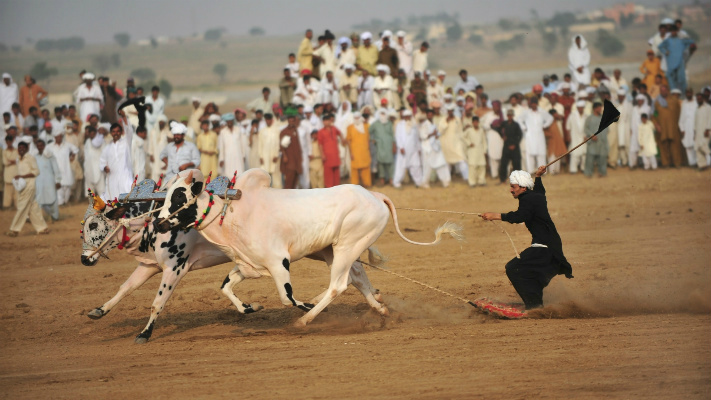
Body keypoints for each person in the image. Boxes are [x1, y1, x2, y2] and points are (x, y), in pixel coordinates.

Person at [480, 167, 573, 310]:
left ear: (523, 188)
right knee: (526, 271)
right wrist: (539, 177)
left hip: (544, 247)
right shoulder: (535, 196)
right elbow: (540, 191)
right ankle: (535, 303)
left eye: (513, 187)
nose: (511, 190)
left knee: (513, 268)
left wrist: (496, 216)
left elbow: (520, 216)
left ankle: (534, 306)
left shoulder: (528, 199)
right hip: (549, 245)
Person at [6, 140, 49, 236]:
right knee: (33, 208)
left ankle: (14, 230)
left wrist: (22, 177)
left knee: (22, 207)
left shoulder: (30, 158)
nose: (21, 149)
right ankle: (42, 228)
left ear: (26, 149)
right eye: (19, 148)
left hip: (29, 186)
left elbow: (36, 172)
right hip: (22, 187)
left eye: (23, 148)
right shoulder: (19, 159)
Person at [520, 97, 554, 174]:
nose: (534, 105)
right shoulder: (526, 112)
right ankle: (531, 171)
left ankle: (542, 172)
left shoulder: (541, 112)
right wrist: (524, 127)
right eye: (532, 104)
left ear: (537, 104)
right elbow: (519, 120)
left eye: (535, 103)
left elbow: (550, 118)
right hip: (530, 136)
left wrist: (544, 125)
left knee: (541, 153)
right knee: (530, 154)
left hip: (539, 135)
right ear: (530, 104)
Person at [653, 85, 683, 168]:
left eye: (664, 90)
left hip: (673, 127)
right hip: (662, 128)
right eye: (661, 90)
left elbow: (679, 113)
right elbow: (653, 115)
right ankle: (666, 163)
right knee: (664, 145)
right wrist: (656, 125)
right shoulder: (657, 102)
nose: (663, 92)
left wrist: (677, 124)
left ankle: (677, 163)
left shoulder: (674, 100)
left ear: (668, 91)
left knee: (675, 146)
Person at [657, 25, 695, 92]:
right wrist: (665, 52)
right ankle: (673, 93)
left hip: (680, 63)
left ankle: (683, 94)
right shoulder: (668, 40)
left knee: (681, 79)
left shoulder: (681, 40)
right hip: (671, 63)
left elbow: (691, 42)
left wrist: (686, 46)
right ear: (671, 32)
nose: (673, 32)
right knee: (671, 78)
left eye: (674, 31)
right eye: (672, 31)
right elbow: (660, 46)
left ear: (677, 31)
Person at [419, 109, 451, 188]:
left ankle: (445, 181)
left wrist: (436, 135)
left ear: (432, 115)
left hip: (435, 147)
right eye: (428, 115)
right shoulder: (424, 125)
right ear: (426, 115)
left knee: (440, 163)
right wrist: (432, 134)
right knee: (427, 166)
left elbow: (438, 133)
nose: (430, 116)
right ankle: (425, 183)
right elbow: (422, 136)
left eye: (431, 114)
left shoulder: (435, 124)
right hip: (427, 148)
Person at [47, 129, 79, 205]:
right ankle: (60, 204)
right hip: (56, 170)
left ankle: (65, 202)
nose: (59, 138)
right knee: (58, 188)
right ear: (54, 137)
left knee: (67, 188)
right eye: (57, 137)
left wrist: (72, 156)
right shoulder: (50, 146)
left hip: (66, 169)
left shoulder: (67, 145)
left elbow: (76, 149)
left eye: (60, 137)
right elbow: (45, 154)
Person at [393, 109, 422, 188]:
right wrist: (401, 147)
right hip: (403, 150)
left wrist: (419, 148)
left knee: (415, 165)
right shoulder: (400, 125)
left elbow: (417, 137)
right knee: (401, 166)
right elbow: (398, 137)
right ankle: (397, 182)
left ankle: (418, 182)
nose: (407, 117)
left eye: (409, 116)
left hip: (413, 150)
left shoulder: (414, 125)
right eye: (406, 116)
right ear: (404, 117)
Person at [438, 104, 468, 179]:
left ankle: (467, 178)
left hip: (457, 144)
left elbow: (460, 131)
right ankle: (447, 179)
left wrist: (463, 142)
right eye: (449, 111)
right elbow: (440, 131)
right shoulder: (443, 119)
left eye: (452, 111)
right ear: (447, 112)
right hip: (446, 144)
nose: (450, 112)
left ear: (453, 111)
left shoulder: (457, 119)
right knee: (447, 163)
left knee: (462, 160)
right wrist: (446, 122)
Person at [34, 139, 61, 221]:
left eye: (41, 145)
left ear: (44, 146)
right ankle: (37, 218)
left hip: (50, 181)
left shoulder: (50, 156)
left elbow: (56, 169)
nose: (40, 147)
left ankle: (55, 216)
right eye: (38, 146)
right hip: (38, 182)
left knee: (52, 199)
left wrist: (58, 180)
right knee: (39, 200)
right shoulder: (34, 157)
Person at [369, 109, 396, 186]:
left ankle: (391, 179)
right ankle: (382, 180)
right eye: (381, 113)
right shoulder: (375, 124)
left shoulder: (390, 123)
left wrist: (394, 146)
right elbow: (369, 131)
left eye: (384, 113)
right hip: (380, 145)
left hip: (389, 145)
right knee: (380, 163)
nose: (383, 115)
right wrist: (373, 139)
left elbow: (392, 135)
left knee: (390, 163)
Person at [317, 113, 344, 187]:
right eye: (324, 121)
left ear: (330, 121)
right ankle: (329, 188)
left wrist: (342, 140)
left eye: (327, 120)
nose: (326, 122)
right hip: (327, 155)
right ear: (323, 122)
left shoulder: (334, 129)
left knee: (336, 171)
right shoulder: (320, 132)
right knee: (328, 172)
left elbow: (340, 133)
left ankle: (337, 187)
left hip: (335, 154)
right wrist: (322, 154)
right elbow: (320, 144)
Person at [345, 112, 371, 187]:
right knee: (354, 169)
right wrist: (351, 153)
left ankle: (367, 184)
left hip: (364, 151)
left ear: (360, 118)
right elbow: (348, 141)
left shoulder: (366, 126)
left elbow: (368, 139)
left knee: (366, 167)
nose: (356, 119)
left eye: (358, 118)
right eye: (355, 118)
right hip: (354, 151)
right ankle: (354, 185)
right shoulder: (350, 127)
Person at [279, 108, 303, 189]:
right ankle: (286, 198)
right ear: (288, 121)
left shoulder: (296, 130)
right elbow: (281, 146)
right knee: (289, 181)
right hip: (289, 160)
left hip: (296, 160)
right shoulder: (284, 131)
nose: (292, 122)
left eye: (293, 120)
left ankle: (292, 199)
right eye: (290, 120)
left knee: (295, 181)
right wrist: (285, 156)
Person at [584, 102, 609, 177]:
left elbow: (606, 130)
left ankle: (602, 173)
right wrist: (591, 135)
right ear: (594, 109)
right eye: (598, 108)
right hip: (592, 141)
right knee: (590, 158)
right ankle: (588, 173)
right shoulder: (589, 118)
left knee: (602, 158)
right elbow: (586, 128)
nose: (600, 109)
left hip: (601, 142)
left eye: (601, 107)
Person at [497, 109, 523, 183]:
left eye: (511, 115)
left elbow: (520, 135)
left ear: (513, 116)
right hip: (506, 145)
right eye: (508, 115)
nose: (509, 117)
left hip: (515, 146)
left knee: (516, 163)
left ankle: (517, 180)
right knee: (503, 163)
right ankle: (502, 179)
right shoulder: (504, 123)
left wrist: (515, 144)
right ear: (507, 116)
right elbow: (498, 129)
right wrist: (502, 136)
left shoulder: (516, 124)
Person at [218, 113, 246, 177]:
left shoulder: (238, 130)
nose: (229, 122)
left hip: (238, 155)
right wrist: (221, 159)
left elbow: (242, 143)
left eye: (231, 120)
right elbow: (221, 146)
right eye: (228, 121)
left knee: (239, 173)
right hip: (228, 156)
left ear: (233, 121)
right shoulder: (223, 132)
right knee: (228, 174)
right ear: (226, 122)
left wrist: (243, 155)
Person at [258, 113, 282, 188]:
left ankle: (278, 191)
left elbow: (278, 143)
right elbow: (260, 144)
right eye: (266, 120)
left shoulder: (277, 130)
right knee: (265, 174)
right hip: (265, 156)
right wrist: (261, 156)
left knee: (276, 174)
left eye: (269, 120)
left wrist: (277, 155)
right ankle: (265, 190)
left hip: (274, 156)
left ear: (272, 120)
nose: (268, 121)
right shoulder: (262, 131)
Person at [463, 115, 487, 187]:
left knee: (482, 166)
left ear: (478, 122)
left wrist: (485, 150)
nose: (476, 123)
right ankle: (472, 182)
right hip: (472, 150)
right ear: (472, 123)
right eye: (474, 122)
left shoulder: (481, 130)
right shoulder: (469, 130)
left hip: (480, 150)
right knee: (472, 166)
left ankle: (481, 181)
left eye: (477, 122)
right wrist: (469, 143)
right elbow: (463, 137)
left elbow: (484, 141)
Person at [482, 100, 504, 180]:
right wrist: (492, 125)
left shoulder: (502, 114)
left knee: (502, 155)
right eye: (494, 107)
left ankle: (503, 173)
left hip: (501, 138)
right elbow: (484, 125)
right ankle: (494, 174)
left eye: (497, 106)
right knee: (492, 155)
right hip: (491, 136)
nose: (495, 108)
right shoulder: (489, 115)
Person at [83, 126, 105, 196]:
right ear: (89, 134)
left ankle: (104, 204)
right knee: (90, 190)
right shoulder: (87, 142)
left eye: (93, 134)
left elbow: (105, 154)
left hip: (99, 168)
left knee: (101, 189)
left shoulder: (101, 141)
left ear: (96, 134)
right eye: (91, 134)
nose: (92, 135)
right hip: (89, 168)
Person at [679, 88, 697, 166]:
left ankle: (699, 162)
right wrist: (682, 128)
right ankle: (691, 163)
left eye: (690, 92)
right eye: (687, 92)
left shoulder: (697, 102)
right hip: (687, 127)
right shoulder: (684, 103)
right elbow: (682, 117)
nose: (688, 94)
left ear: (692, 93)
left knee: (696, 145)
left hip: (695, 126)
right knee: (688, 146)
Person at [694, 93, 711, 171]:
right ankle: (702, 165)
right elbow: (695, 121)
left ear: (703, 99)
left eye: (700, 98)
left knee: (704, 146)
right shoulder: (697, 108)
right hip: (698, 132)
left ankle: (709, 157)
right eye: (697, 99)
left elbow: (710, 119)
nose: (699, 100)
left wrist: (708, 129)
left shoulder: (708, 108)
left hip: (705, 131)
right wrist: (694, 132)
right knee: (698, 148)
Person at [2, 135, 18, 209]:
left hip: (16, 173)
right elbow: (5, 162)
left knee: (16, 192)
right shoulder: (4, 151)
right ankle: (7, 206)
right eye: (7, 141)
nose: (8, 143)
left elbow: (18, 160)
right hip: (8, 174)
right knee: (7, 192)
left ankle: (17, 205)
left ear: (12, 141)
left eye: (10, 141)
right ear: (6, 142)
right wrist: (13, 161)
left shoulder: (16, 150)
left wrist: (11, 161)